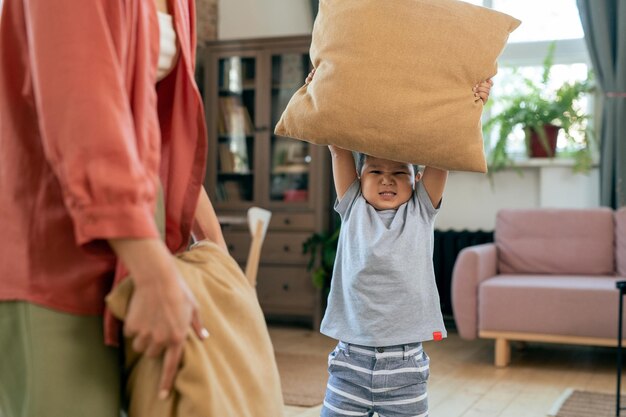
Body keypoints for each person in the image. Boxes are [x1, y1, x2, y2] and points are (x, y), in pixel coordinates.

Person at [0, 1, 226, 416]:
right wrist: (152, 269)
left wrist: (216, 251)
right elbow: (82, 111)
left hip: (138, 237)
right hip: (55, 248)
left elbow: (153, 131)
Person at [304, 69, 492, 416]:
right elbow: (337, 149)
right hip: (350, 364)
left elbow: (444, 153)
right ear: (359, 179)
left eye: (399, 173)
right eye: (375, 171)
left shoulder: (421, 209)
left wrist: (472, 104)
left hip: (405, 367)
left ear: (416, 179)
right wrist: (324, 88)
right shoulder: (353, 206)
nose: (386, 180)